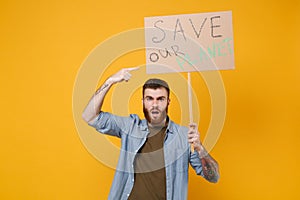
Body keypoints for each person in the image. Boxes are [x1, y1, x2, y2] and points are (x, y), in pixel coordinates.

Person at [82, 67, 220, 200]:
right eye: (149, 98)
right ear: (143, 101)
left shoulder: (184, 136)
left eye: (160, 99)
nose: (155, 104)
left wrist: (200, 149)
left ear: (168, 102)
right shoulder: (130, 126)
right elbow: (90, 117)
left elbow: (213, 177)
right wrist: (110, 81)